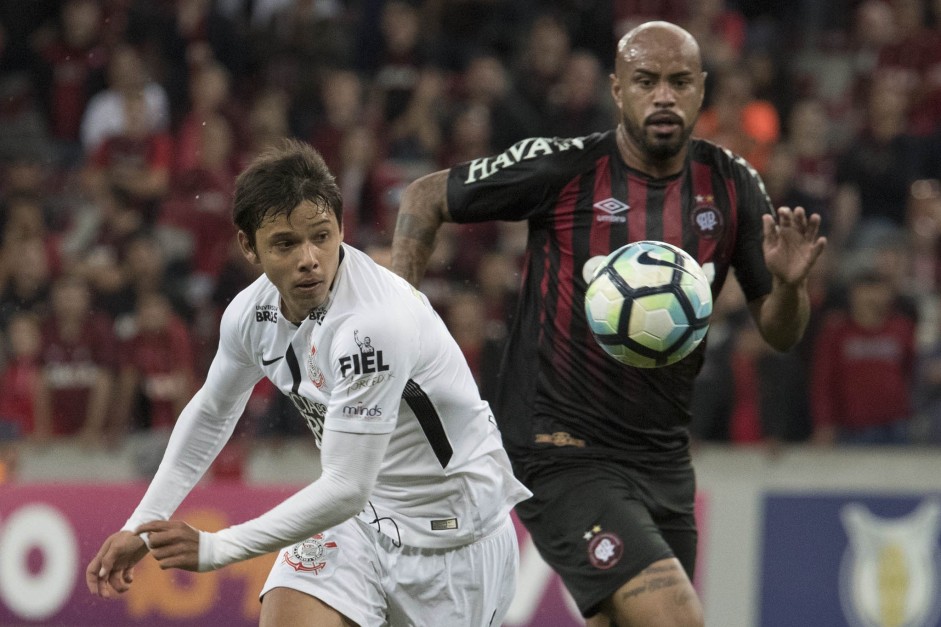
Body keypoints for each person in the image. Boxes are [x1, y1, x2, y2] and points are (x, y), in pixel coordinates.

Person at [390, 21, 827, 627]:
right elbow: (423, 197)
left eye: (679, 82)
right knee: (676, 616)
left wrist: (788, 285)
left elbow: (782, 333)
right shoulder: (565, 168)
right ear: (618, 90)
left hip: (664, 458)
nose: (664, 96)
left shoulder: (732, 184)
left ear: (702, 89)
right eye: (647, 81)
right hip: (560, 450)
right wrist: (401, 323)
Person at [85, 139, 531, 627]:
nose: (309, 258)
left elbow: (344, 486)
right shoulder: (249, 314)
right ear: (247, 246)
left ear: (341, 225)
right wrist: (141, 526)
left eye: (322, 236)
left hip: (454, 541)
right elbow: (213, 412)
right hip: (359, 526)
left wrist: (218, 547)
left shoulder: (373, 325)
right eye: (284, 243)